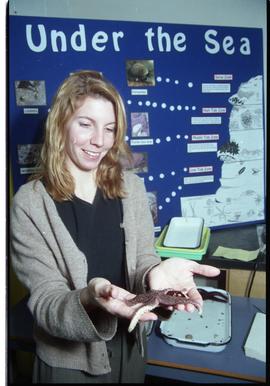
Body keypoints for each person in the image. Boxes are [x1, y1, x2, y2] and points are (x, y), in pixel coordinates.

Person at [10, 70, 220, 383]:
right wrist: (89, 297)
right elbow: (46, 303)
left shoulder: (132, 188)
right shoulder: (29, 203)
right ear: (60, 124)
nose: (99, 141)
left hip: (131, 349)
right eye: (85, 124)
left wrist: (154, 275)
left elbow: (143, 261)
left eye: (109, 129)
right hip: (68, 364)